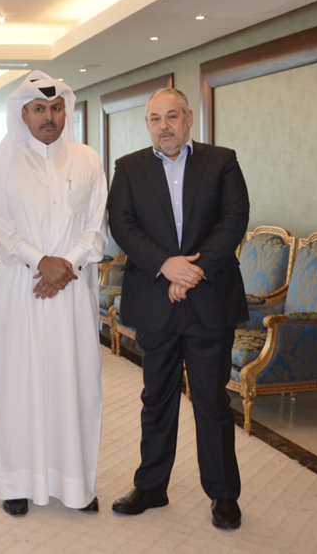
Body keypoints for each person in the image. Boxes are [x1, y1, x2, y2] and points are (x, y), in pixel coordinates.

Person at [107, 87, 248, 530]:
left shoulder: (221, 160)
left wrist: (192, 272)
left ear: (188, 118)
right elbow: (122, 225)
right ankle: (152, 486)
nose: (164, 126)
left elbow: (233, 220)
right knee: (156, 398)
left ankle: (223, 495)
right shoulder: (128, 168)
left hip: (210, 300)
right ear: (147, 124)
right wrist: (165, 266)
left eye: (172, 116)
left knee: (212, 401)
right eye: (155, 118)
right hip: (154, 300)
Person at [0, 70, 107, 516]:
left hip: (72, 291)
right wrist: (40, 260)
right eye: (39, 109)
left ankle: (77, 485)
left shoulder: (88, 158)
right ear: (24, 114)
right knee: (19, 382)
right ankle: (17, 482)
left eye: (55, 108)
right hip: (23, 288)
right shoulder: (5, 161)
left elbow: (97, 223)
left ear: (65, 110)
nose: (48, 117)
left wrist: (66, 263)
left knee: (76, 381)